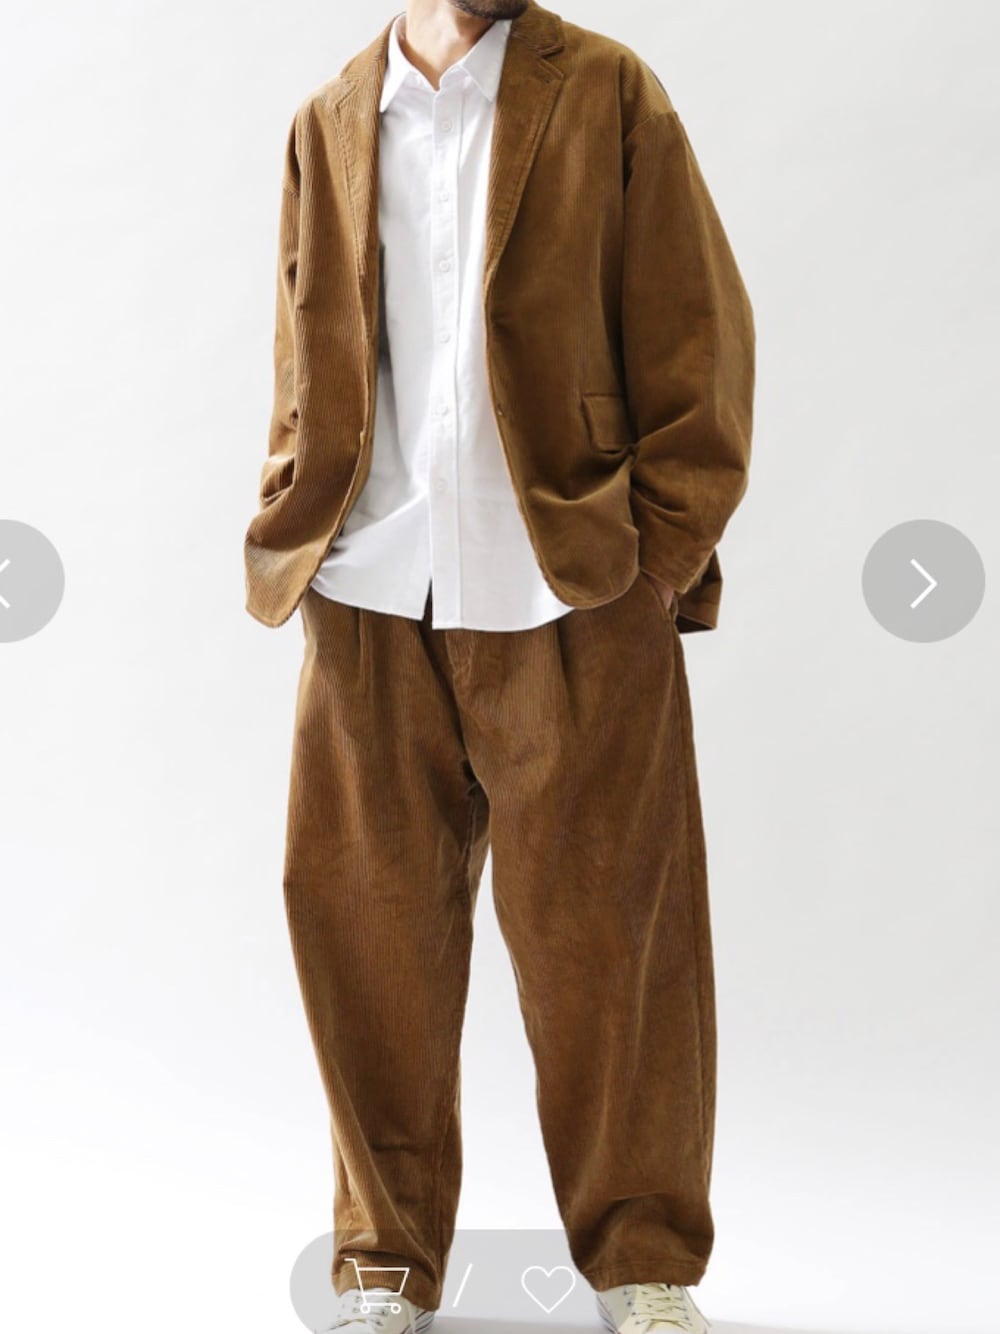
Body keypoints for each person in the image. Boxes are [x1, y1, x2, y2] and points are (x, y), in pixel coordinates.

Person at [243, 2, 755, 1330]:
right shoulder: (328, 120)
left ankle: (642, 1265)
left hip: (572, 590)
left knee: (614, 943)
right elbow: (304, 350)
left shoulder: (610, 94)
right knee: (366, 941)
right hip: (368, 592)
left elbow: (698, 333)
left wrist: (657, 559)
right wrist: (295, 501)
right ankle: (382, 1268)